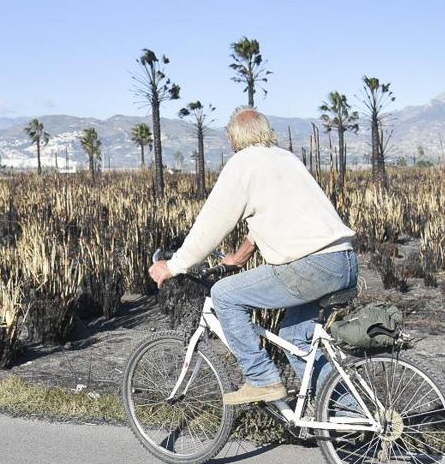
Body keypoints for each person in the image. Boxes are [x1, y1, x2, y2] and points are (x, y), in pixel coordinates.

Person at [148, 107, 358, 405]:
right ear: (266, 131)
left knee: (224, 295)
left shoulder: (243, 164)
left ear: (234, 139)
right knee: (295, 340)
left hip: (310, 266)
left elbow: (211, 224)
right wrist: (239, 256)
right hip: (343, 260)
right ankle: (350, 414)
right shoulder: (286, 159)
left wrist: (173, 265)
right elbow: (278, 215)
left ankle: (262, 380)